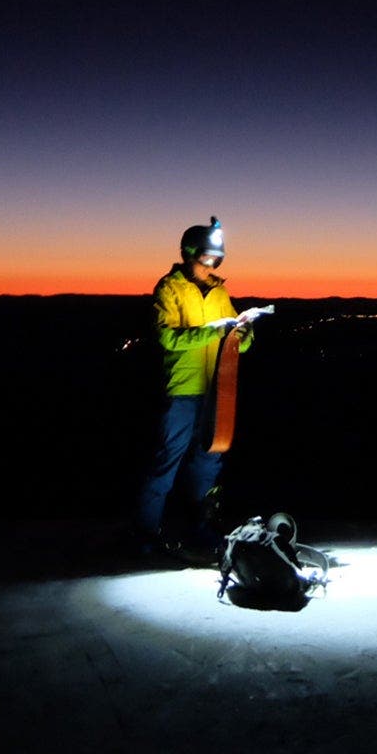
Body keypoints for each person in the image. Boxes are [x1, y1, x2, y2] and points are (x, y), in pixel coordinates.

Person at [134, 216, 255, 560]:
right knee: (166, 462)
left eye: (217, 258)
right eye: (207, 257)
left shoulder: (220, 290)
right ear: (190, 254)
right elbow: (168, 337)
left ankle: (201, 529)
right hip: (182, 391)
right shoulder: (169, 288)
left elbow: (238, 342)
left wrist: (243, 334)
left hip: (217, 390)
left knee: (208, 463)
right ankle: (146, 534)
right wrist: (212, 331)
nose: (212, 263)